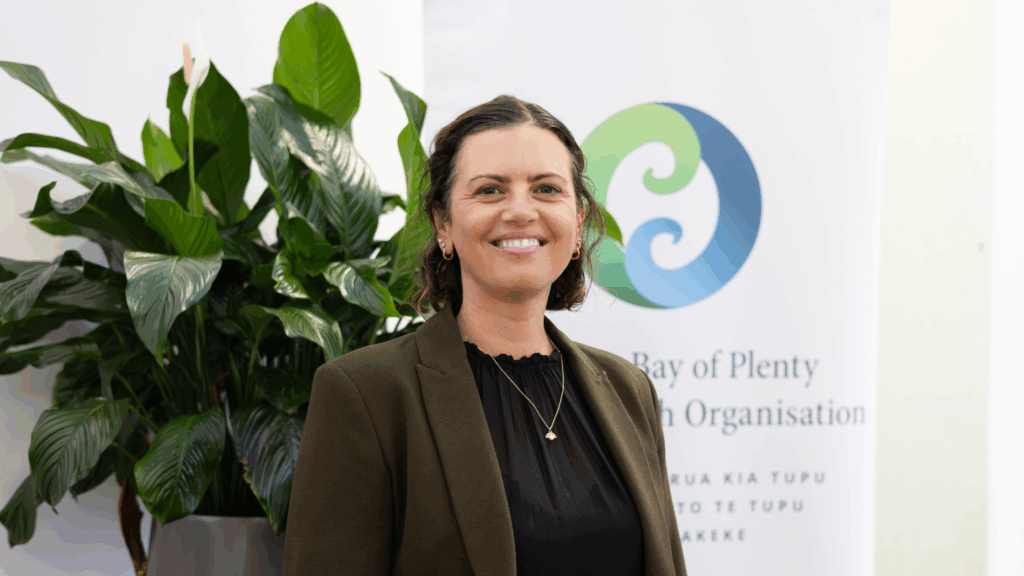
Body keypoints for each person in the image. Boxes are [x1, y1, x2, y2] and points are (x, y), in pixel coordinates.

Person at [282, 95, 687, 576]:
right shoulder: (366, 394)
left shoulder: (628, 389)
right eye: (491, 190)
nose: (520, 211)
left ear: (577, 225)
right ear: (443, 224)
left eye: (547, 189)